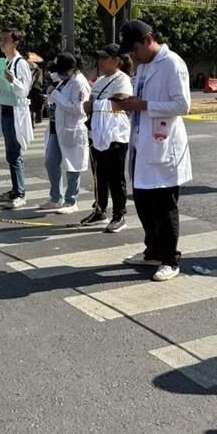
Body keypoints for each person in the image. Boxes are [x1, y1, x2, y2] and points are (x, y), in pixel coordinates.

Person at [114, 20, 192, 282]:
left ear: (148, 40)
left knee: (164, 205)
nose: (131, 56)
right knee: (145, 203)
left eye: (134, 49)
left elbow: (183, 105)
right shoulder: (145, 66)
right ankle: (153, 252)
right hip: (142, 143)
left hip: (163, 144)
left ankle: (171, 259)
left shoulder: (172, 64)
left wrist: (144, 105)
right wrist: (130, 104)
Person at [83, 44, 134, 231]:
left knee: (115, 176)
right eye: (100, 58)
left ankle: (119, 214)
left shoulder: (122, 79)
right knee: (99, 174)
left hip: (114, 135)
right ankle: (100, 208)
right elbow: (90, 103)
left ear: (116, 60)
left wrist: (93, 104)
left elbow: (119, 103)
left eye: (105, 58)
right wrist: (92, 105)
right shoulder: (100, 80)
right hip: (96, 132)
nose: (100, 61)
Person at [39, 52, 90, 214]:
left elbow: (78, 109)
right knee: (50, 162)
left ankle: (71, 201)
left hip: (72, 129)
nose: (56, 73)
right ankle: (56, 197)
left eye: (59, 70)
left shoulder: (79, 83)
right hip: (56, 129)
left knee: (73, 165)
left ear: (70, 69)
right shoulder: (64, 82)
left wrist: (55, 95)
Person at [0, 27, 34, 209]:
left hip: (16, 113)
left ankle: (20, 193)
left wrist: (13, 81)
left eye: (6, 39)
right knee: (10, 154)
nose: (2, 43)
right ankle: (14, 189)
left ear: (16, 42)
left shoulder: (20, 64)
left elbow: (25, 90)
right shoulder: (6, 62)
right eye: (1, 39)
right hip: (6, 110)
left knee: (15, 154)